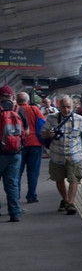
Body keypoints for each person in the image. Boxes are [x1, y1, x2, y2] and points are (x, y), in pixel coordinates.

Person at [41, 95, 82, 216]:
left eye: (68, 107)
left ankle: (70, 202)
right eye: (63, 107)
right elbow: (42, 134)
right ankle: (65, 199)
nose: (66, 110)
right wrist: (48, 134)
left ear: (72, 107)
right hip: (57, 155)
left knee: (74, 178)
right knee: (59, 178)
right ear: (59, 107)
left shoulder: (79, 119)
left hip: (74, 155)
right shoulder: (52, 118)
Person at [16, 91, 46, 203]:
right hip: (35, 144)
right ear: (27, 100)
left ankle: (15, 197)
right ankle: (31, 196)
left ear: (17, 100)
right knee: (33, 172)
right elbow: (44, 124)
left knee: (17, 173)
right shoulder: (34, 109)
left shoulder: (15, 110)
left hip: (18, 145)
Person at [0, 85, 24, 222]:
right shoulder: (19, 110)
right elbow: (25, 131)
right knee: (12, 184)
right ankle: (15, 213)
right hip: (15, 153)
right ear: (12, 97)